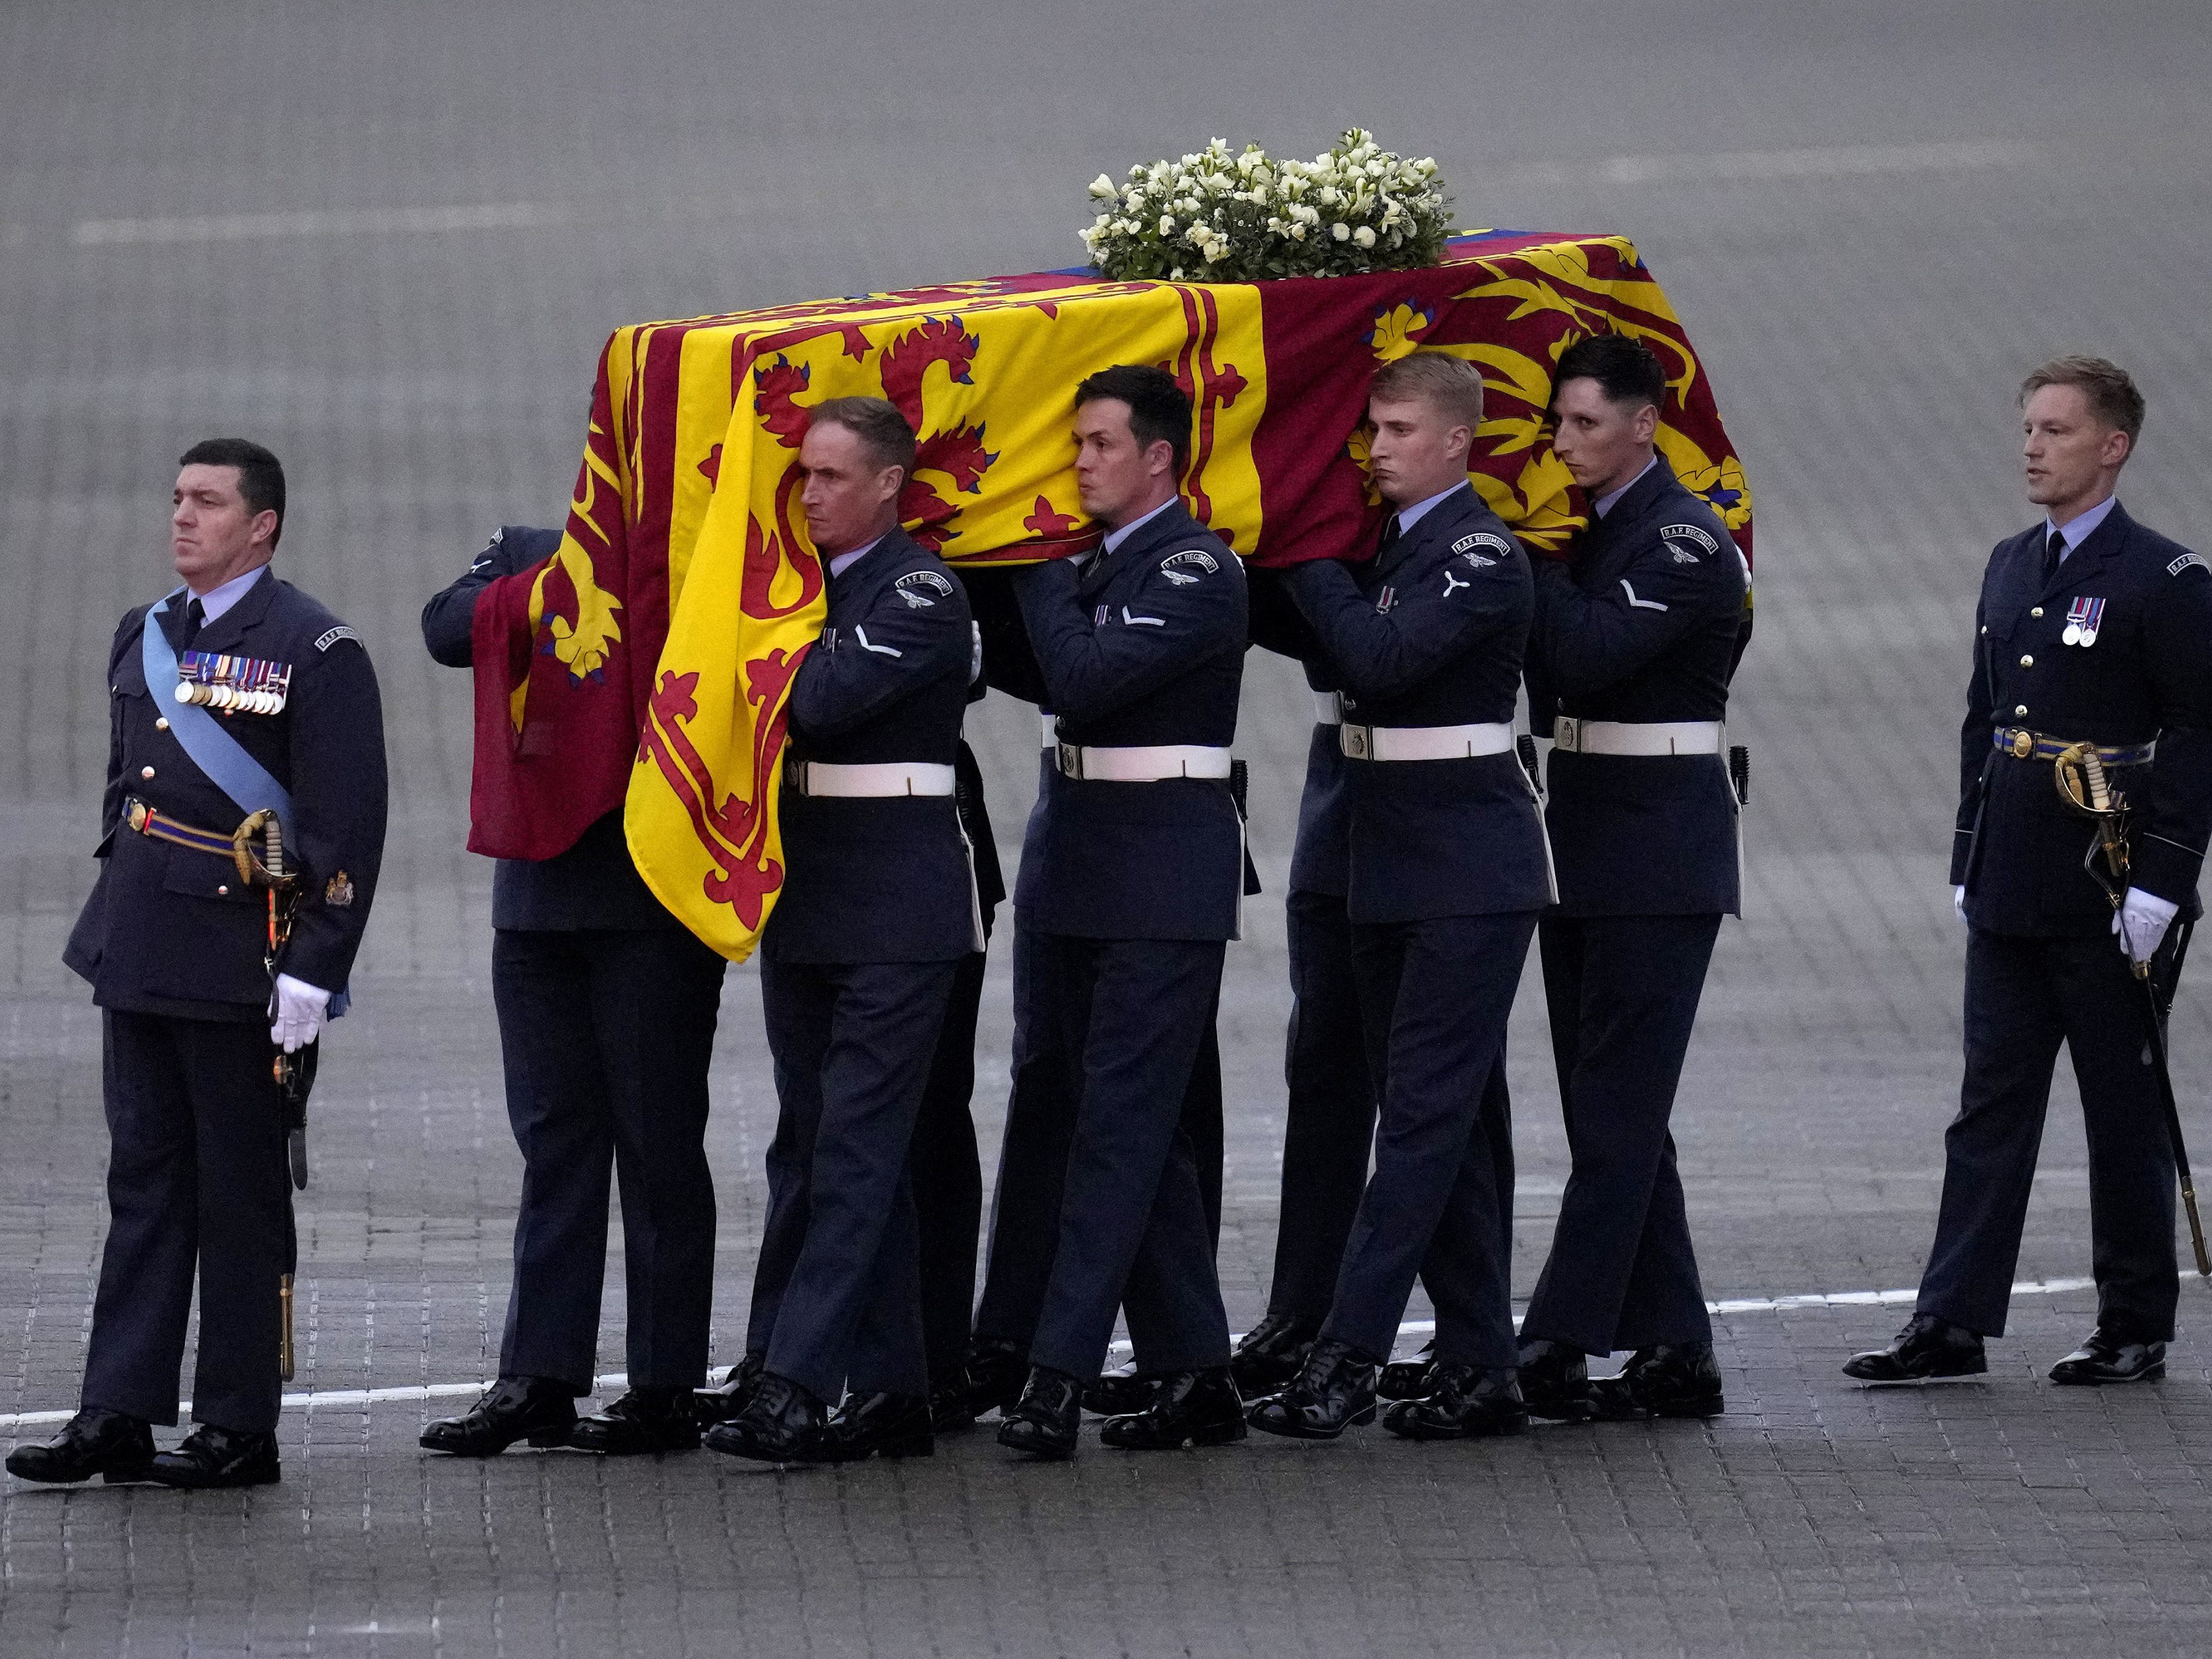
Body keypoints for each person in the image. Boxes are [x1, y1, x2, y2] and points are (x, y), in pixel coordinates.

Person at [9, 440, 388, 1489]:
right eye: (178, 499)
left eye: (208, 503)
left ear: (260, 525)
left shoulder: (316, 649)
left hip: (239, 959)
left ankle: (236, 1425)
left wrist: (316, 965)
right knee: (144, 1184)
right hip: (138, 945)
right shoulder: (148, 632)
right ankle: (118, 1410)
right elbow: (123, 790)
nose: (183, 517)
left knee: (238, 1194)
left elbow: (351, 824)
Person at [1846, 357, 2212, 1389]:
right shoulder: (2013, 562)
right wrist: (1970, 853)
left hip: (2111, 877)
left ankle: (2134, 1321)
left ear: (2114, 446)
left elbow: (2195, 734)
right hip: (2013, 873)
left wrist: (2164, 883)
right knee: (1990, 1104)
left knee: (2119, 1106)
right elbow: (1987, 720)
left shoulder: (2166, 581)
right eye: (2028, 429)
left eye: (2056, 431)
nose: (2032, 448)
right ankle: (1950, 1322)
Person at [1248, 353, 1551, 1444]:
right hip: (1386, 860)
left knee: (1419, 1121)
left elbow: (1378, 658)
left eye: (1400, 430)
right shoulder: (1390, 545)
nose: (1376, 449)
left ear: (1460, 440)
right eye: (1369, 429)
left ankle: (1349, 1356)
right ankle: (1481, 1364)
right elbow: (1307, 627)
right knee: (1450, 1122)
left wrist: (1309, 548)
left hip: (1468, 870)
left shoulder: (1476, 553)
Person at [705, 397, 978, 1464]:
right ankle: (893, 1387)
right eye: (802, 476)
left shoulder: (919, 591)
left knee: (855, 1152)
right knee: (813, 1150)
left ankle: (796, 1382)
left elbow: (816, 698)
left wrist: (764, 631)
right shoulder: (807, 587)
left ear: (886, 486)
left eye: (829, 477)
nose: (808, 495)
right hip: (809, 896)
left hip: (899, 911)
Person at [416, 526, 727, 1458]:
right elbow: (442, 626)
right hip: (539, 894)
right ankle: (539, 1376)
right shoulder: (536, 548)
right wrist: (555, 579)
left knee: (657, 1141)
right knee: (554, 1141)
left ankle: (666, 1383)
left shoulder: (701, 555)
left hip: (653, 899)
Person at [994, 365, 1248, 1459]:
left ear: (1158, 458)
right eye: (1075, 443)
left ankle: (1055, 1372)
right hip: (1074, 860)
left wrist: (1036, 566)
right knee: (1084, 1118)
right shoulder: (1099, 566)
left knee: (1119, 1128)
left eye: (1101, 444)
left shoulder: (1197, 566)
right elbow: (1027, 665)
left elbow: (1086, 677)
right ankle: (1196, 1372)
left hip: (1158, 878)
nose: (1081, 462)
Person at [1512, 334, 1750, 1422]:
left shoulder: (1687, 543)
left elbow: (1589, 659)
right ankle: (1677, 1345)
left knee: (1614, 1112)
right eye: (1558, 424)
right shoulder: (1596, 530)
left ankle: (1557, 1339)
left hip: (1659, 853)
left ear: (1645, 426)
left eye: (1585, 425)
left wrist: (1526, 564)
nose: (1564, 444)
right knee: (1615, 1109)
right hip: (1586, 844)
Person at [704, 707, 1005, 1437]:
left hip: (916, 857)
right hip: (816, 860)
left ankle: (923, 1363)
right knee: (815, 1134)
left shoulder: (917, 591)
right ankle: (830, 1361)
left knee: (908, 1127)